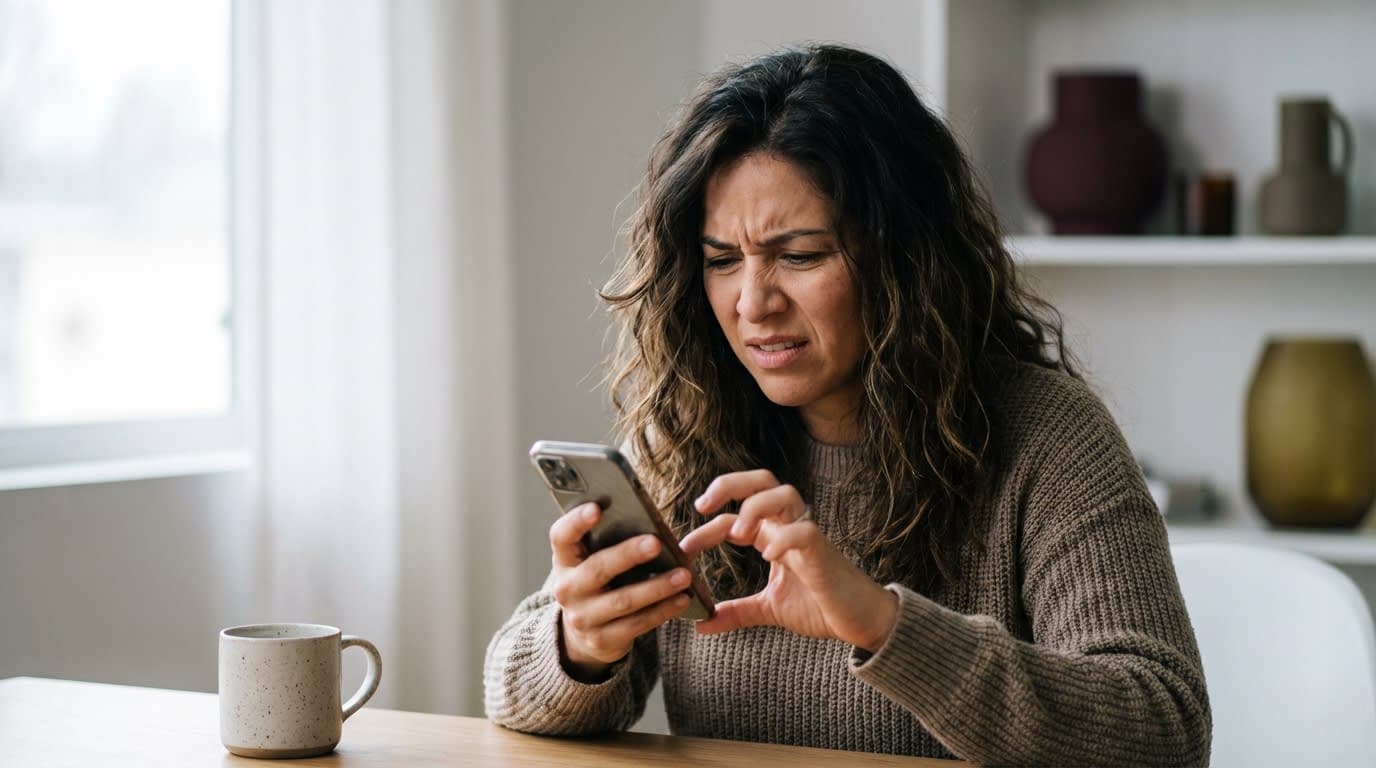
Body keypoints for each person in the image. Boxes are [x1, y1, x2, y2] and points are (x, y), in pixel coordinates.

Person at [484, 43, 1211, 766]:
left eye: (799, 256)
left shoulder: (1048, 437)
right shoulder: (691, 431)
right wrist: (580, 645)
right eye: (721, 261)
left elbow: (1164, 730)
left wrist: (885, 623)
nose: (752, 304)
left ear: (904, 260)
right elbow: (511, 694)